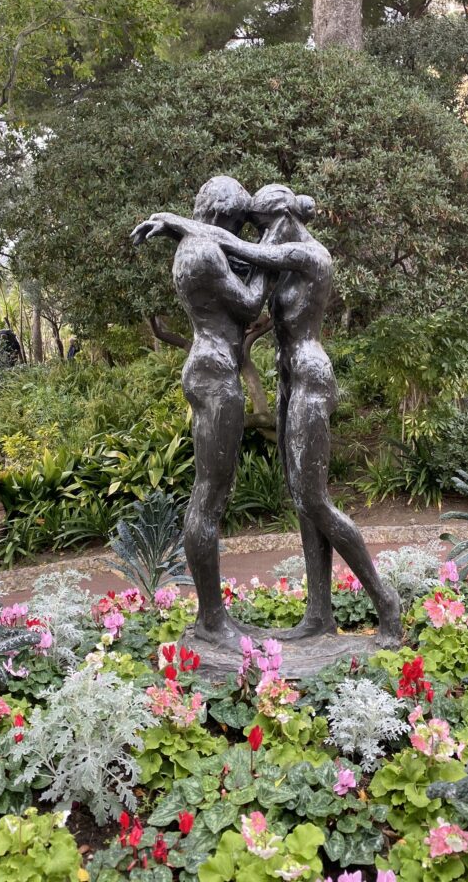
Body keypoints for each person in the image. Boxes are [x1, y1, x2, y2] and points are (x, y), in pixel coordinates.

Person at [135, 185, 402, 645]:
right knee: (301, 502)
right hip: (288, 379)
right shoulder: (277, 250)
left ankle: (387, 603)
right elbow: (243, 265)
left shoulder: (310, 254)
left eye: (260, 226)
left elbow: (240, 253)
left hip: (311, 377)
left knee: (315, 500)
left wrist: (178, 223)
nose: (256, 237)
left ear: (280, 217)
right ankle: (319, 613)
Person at [132, 176, 273, 647]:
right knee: (209, 495)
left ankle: (215, 616)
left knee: (213, 492)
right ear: (221, 213)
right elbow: (252, 305)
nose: (239, 229)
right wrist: (271, 253)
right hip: (214, 374)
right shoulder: (203, 252)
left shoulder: (199, 242)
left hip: (213, 369)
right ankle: (212, 620)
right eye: (236, 220)